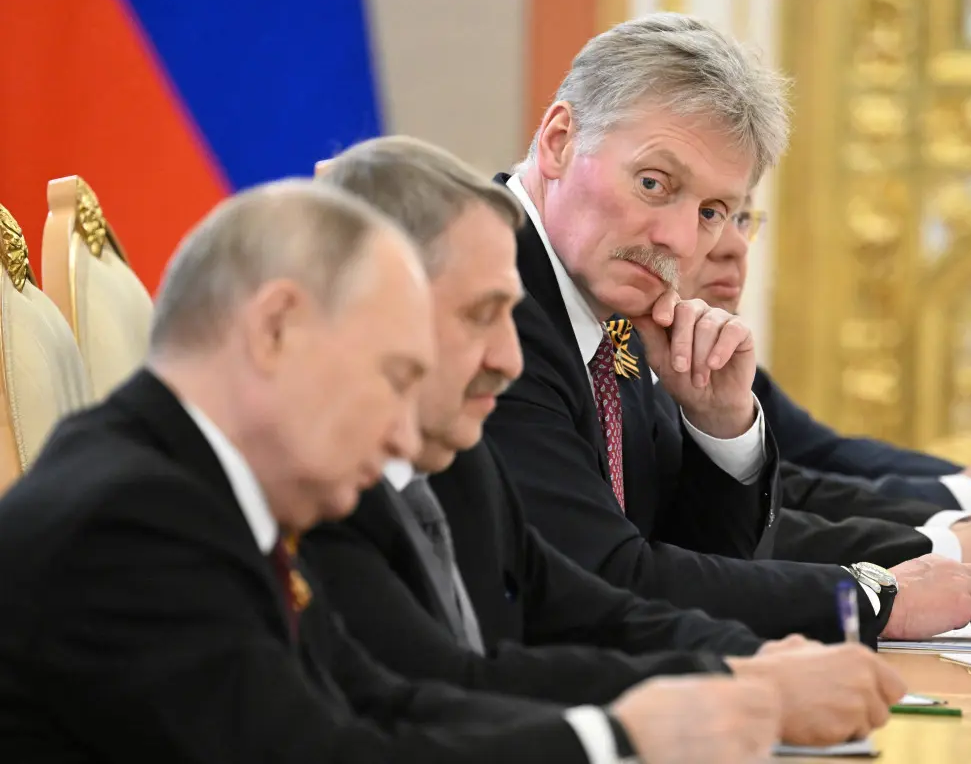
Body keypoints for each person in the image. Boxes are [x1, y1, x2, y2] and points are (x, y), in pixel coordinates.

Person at [0, 179, 784, 764]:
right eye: (392, 376)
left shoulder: (196, 485)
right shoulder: (130, 519)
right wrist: (614, 739)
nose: (401, 428)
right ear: (277, 328)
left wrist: (667, 709)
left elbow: (381, 700)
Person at [303, 135, 908, 747]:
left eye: (718, 212)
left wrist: (753, 666)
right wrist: (645, 725)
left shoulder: (465, 455)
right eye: (480, 315)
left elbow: (583, 606)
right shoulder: (309, 495)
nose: (509, 359)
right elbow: (440, 683)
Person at [484, 11, 971, 644]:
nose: (680, 241)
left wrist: (720, 425)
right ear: (560, 140)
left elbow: (689, 551)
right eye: (654, 183)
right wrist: (869, 602)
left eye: (713, 211)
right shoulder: (491, 297)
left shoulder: (609, 305)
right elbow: (601, 581)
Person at [684, 195, 971, 584]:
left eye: (742, 217)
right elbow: (718, 537)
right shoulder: (639, 368)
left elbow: (815, 458)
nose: (735, 246)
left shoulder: (721, 361)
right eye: (709, 214)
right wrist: (952, 535)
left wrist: (970, 494)